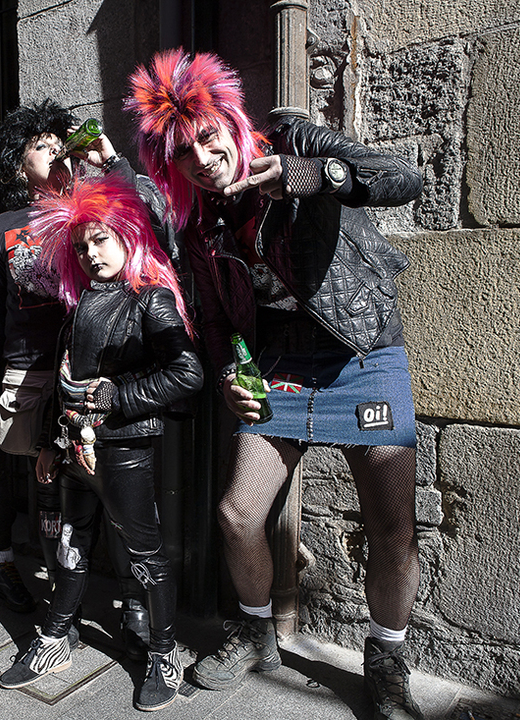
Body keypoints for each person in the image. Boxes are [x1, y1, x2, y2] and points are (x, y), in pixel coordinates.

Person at [126, 49, 425, 720]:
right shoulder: (200, 223)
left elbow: (402, 177)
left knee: (392, 525)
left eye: (208, 137)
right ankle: (257, 632)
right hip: (282, 364)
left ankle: (386, 656)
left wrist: (313, 175)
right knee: (237, 514)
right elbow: (210, 319)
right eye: (183, 153)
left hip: (363, 352)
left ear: (231, 123)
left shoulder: (294, 139)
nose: (202, 158)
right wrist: (228, 374)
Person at [0, 175, 203, 712]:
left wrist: (119, 395)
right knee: (70, 545)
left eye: (101, 240)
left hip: (125, 451)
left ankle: (163, 654)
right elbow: (64, 377)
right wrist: (50, 442)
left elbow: (187, 373)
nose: (90, 254)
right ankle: (54, 639)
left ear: (128, 235)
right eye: (82, 246)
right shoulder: (81, 302)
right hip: (74, 453)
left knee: (145, 555)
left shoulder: (150, 299)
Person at [0, 100, 169, 654]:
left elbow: (149, 218)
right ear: (19, 165)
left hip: (103, 376)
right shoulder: (2, 228)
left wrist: (111, 162)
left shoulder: (95, 208)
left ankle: (134, 605)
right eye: (41, 146)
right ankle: (58, 604)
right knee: (50, 497)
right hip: (31, 372)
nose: (57, 150)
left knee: (120, 499)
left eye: (60, 141)